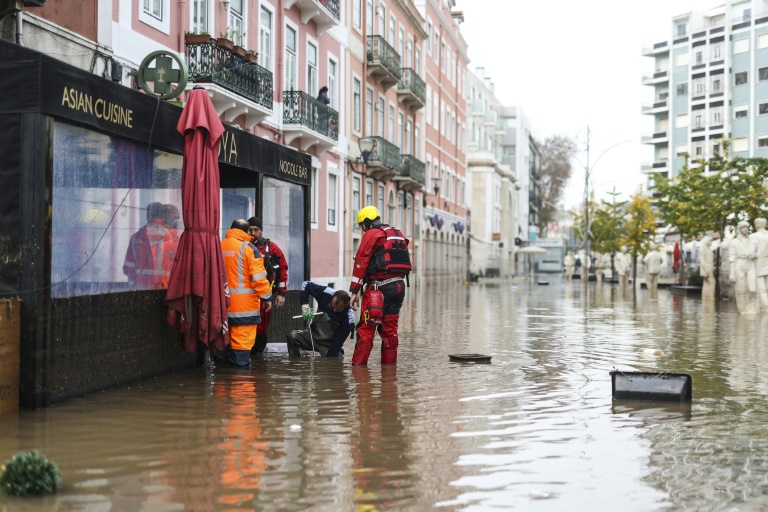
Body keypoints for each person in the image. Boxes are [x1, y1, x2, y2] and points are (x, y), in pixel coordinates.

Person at [349, 206, 411, 366]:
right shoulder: (397, 234)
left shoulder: (372, 234)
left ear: (367, 222)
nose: (363, 230)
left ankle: (358, 372)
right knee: (390, 332)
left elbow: (361, 262)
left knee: (366, 330)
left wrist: (354, 290)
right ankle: (389, 373)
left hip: (377, 290)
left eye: (362, 226)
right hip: (398, 287)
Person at [217, 219, 273, 366]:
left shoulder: (218, 246)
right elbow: (258, 278)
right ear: (247, 231)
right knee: (241, 351)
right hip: (244, 310)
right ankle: (240, 379)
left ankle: (222, 379)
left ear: (231, 229)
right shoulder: (249, 248)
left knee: (222, 350)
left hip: (220, 306)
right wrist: (267, 297)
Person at [247, 217, 288, 355]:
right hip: (245, 295)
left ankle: (257, 354)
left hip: (264, 295)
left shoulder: (271, 248)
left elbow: (282, 269)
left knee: (262, 325)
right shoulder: (242, 246)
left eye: (256, 230)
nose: (253, 233)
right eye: (250, 230)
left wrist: (281, 293)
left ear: (261, 231)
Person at [285, 281, 355, 357]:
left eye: (337, 309)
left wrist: (330, 359)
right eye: (332, 306)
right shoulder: (326, 293)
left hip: (328, 344)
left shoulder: (349, 318)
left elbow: (338, 341)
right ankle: (296, 359)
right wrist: (305, 306)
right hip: (313, 335)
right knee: (292, 337)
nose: (334, 310)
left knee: (334, 360)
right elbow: (306, 285)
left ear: (346, 304)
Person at [123, 202, 176, 290]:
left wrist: (133, 289)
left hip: (142, 292)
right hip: (165, 291)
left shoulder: (136, 239)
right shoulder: (172, 239)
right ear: (163, 217)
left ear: (148, 216)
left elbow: (128, 269)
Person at [730, 220, 758, 314]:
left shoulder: (753, 241)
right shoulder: (734, 242)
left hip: (750, 263)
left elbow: (757, 255)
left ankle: (751, 307)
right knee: (740, 288)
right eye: (743, 228)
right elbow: (732, 257)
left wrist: (753, 256)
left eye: (746, 227)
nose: (745, 229)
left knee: (752, 288)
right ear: (739, 229)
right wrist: (732, 273)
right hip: (740, 263)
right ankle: (741, 309)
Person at [751, 218, 768, 309]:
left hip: (758, 262)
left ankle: (765, 305)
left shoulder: (753, 236)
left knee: (760, 284)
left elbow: (752, 251)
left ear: (756, 225)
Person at [699, 235, 715, 301]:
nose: (711, 242)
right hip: (707, 267)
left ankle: (706, 297)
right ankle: (711, 297)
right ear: (707, 241)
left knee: (706, 283)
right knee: (712, 282)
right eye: (710, 241)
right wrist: (705, 268)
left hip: (709, 266)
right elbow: (702, 259)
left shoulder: (707, 248)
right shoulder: (704, 249)